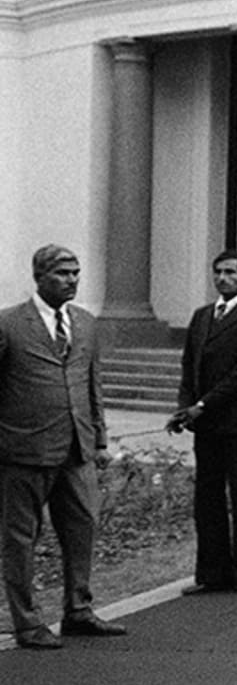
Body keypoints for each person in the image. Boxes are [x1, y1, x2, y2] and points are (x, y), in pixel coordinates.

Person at [0, 244, 123, 648]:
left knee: (82, 527)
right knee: (21, 537)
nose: (72, 280)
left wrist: (100, 439)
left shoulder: (85, 324)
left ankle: (79, 610)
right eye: (63, 273)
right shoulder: (10, 325)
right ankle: (28, 621)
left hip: (77, 449)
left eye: (75, 273)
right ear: (39, 277)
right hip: (24, 450)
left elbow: (94, 384)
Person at [168, 250, 237, 593]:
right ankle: (211, 573)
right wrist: (185, 407)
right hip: (207, 425)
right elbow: (190, 367)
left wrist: (203, 404)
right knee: (207, 498)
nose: (223, 278)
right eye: (218, 272)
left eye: (230, 272)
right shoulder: (201, 317)